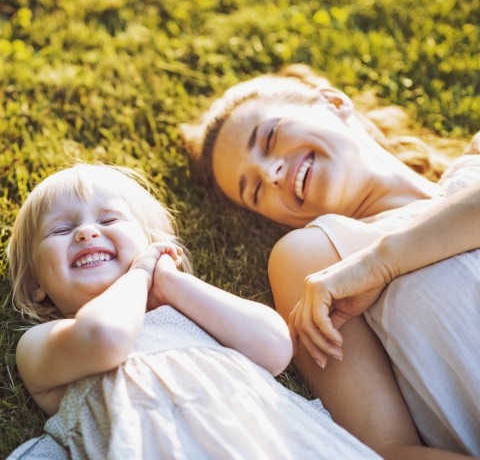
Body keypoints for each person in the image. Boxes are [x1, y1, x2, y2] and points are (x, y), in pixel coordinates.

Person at [184, 64, 480, 458]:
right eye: (255, 190)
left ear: (334, 102)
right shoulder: (318, 258)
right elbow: (387, 448)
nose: (270, 172)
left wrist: (382, 263)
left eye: (269, 137)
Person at [6, 163, 381, 459]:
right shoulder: (45, 341)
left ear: (152, 246)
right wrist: (138, 274)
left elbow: (275, 346)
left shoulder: (192, 312)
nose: (86, 233)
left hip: (273, 441)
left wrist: (170, 283)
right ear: (37, 285)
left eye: (108, 221)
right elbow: (107, 337)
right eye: (60, 231)